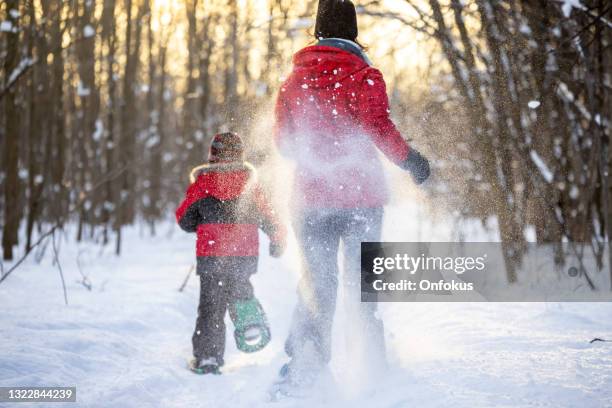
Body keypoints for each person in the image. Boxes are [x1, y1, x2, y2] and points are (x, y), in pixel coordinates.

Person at [272, 0, 430, 392]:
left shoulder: (293, 81)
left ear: (318, 31)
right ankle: (374, 371)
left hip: (310, 201)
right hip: (361, 200)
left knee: (317, 283)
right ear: (354, 32)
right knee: (364, 283)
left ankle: (306, 366)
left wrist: (317, 150)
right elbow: (377, 126)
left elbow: (284, 144)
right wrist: (411, 161)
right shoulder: (364, 75)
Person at [176, 132, 286, 375]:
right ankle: (250, 324)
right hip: (243, 254)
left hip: (212, 254)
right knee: (239, 290)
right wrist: (277, 240)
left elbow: (184, 220)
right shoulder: (250, 184)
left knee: (211, 306)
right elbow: (270, 217)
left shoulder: (202, 185)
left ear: (212, 155)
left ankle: (207, 358)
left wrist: (202, 221)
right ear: (240, 155)